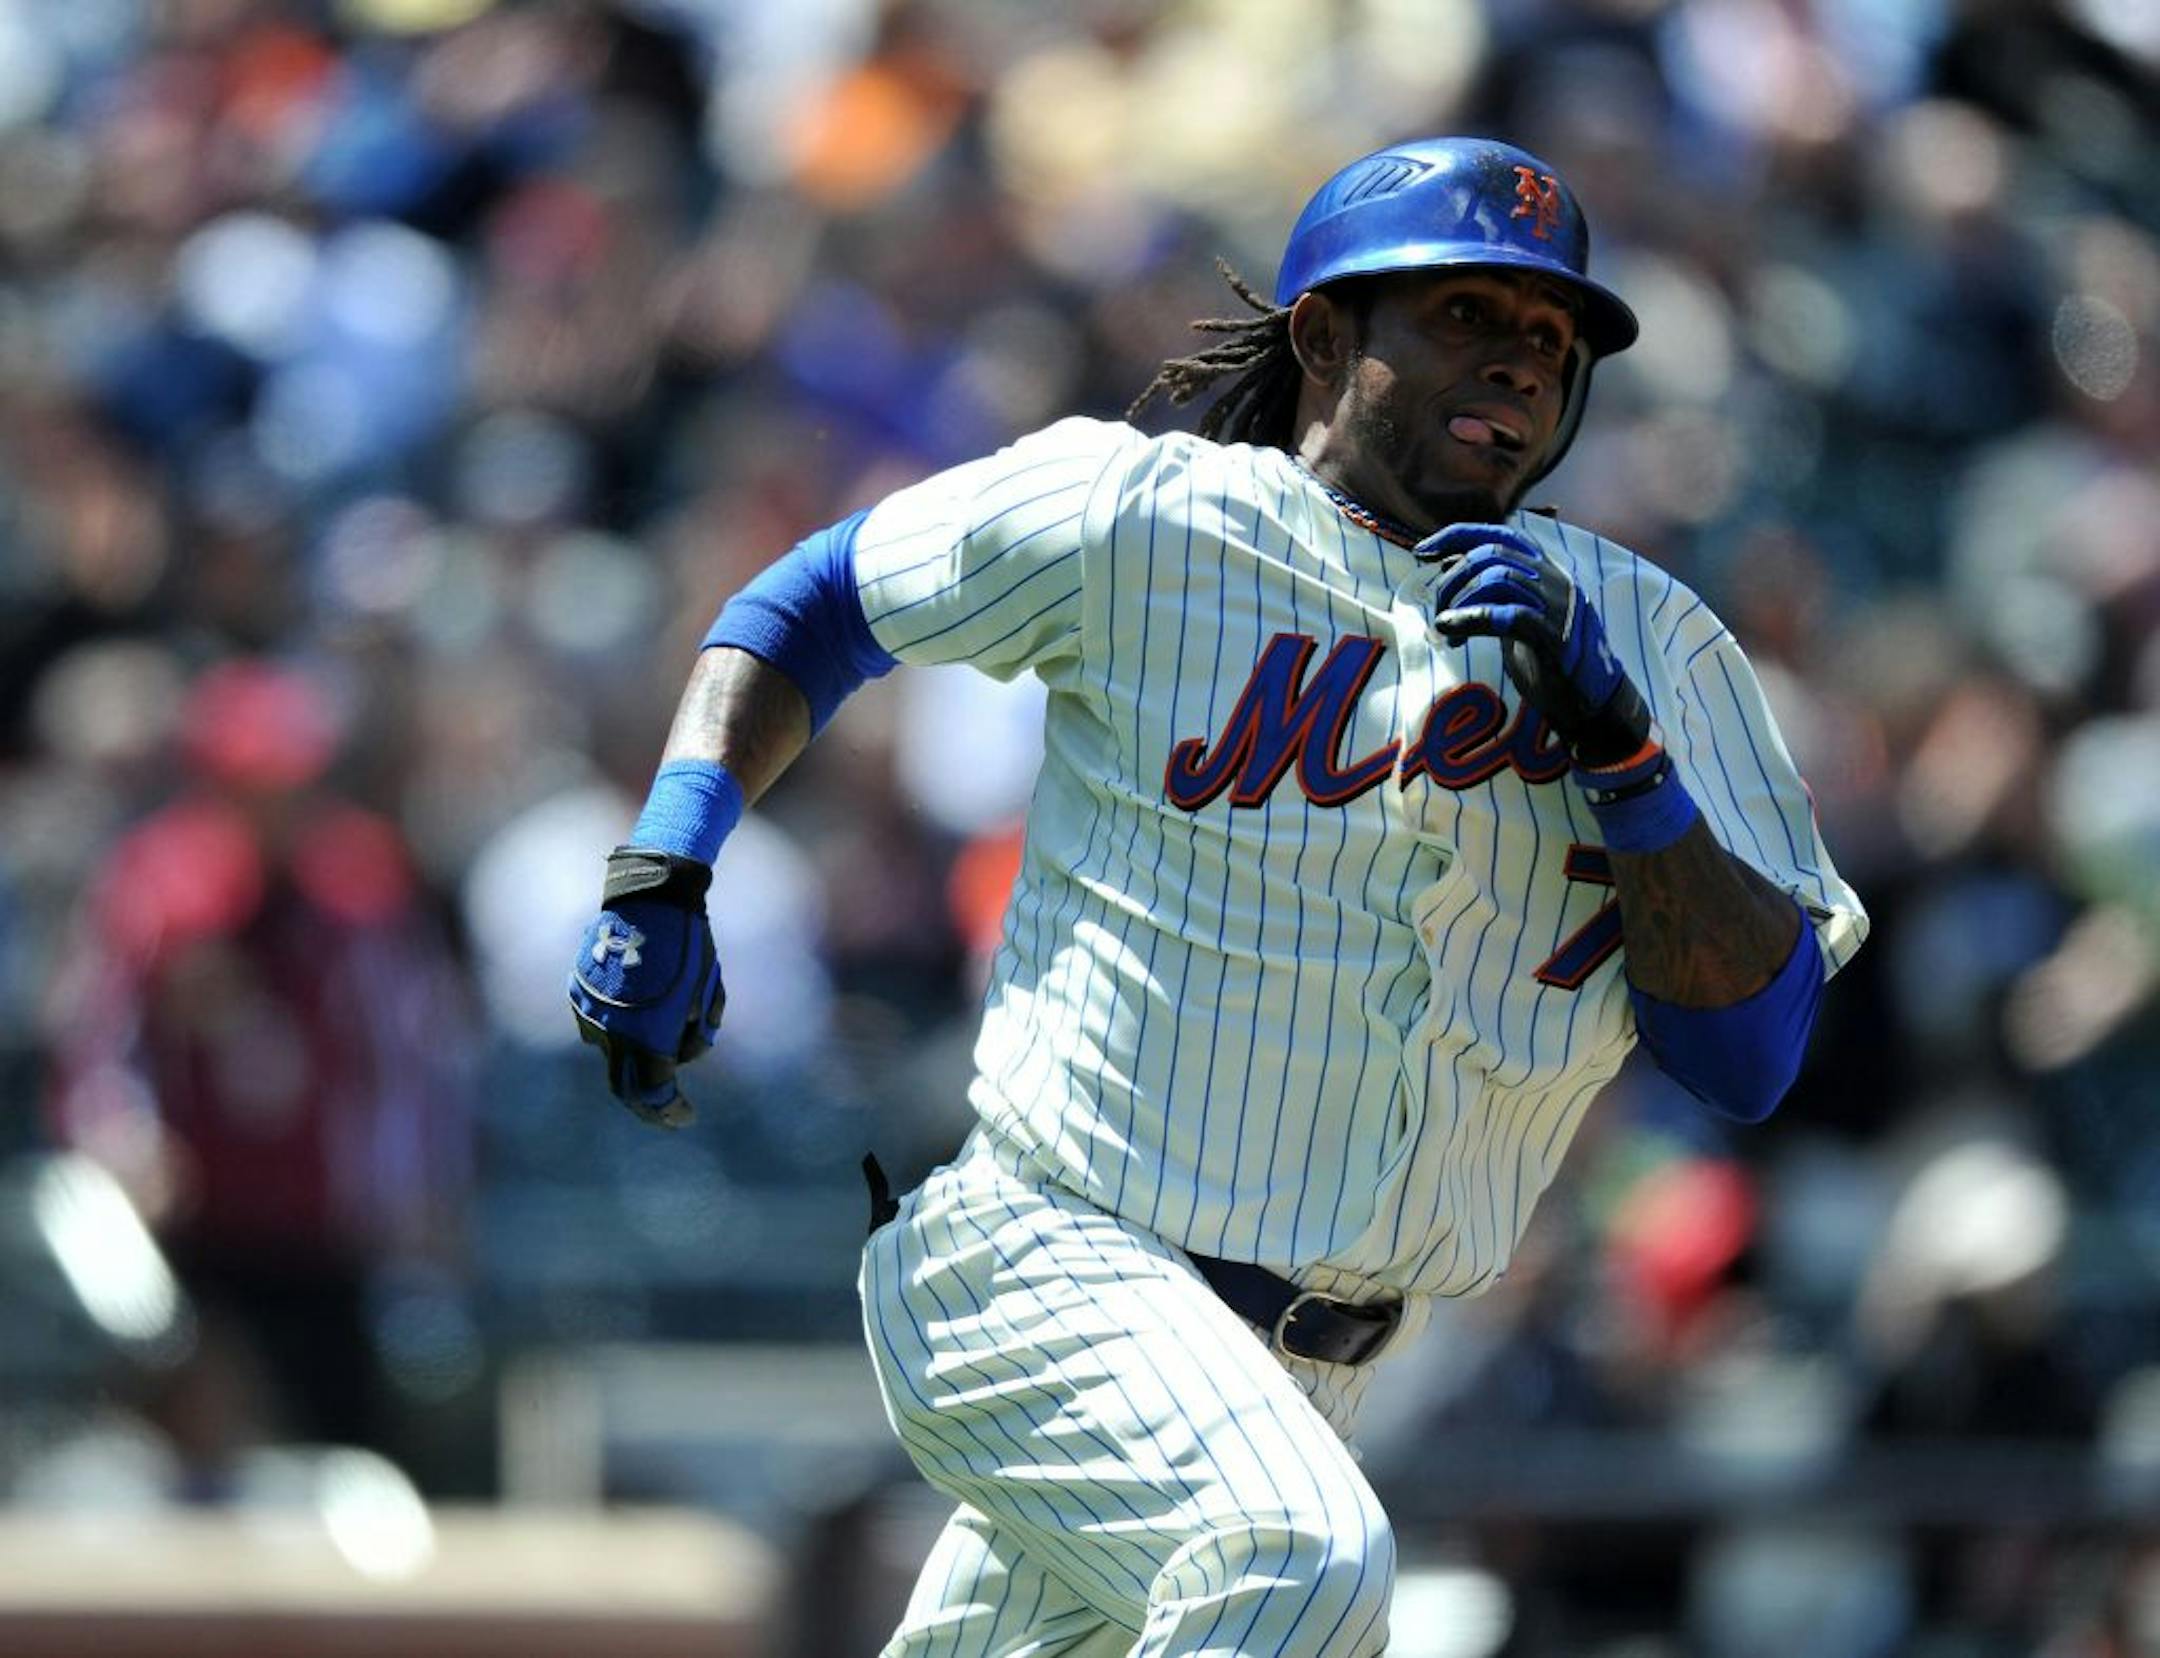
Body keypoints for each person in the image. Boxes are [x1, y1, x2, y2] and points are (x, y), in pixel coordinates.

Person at [568, 137, 1867, 1656]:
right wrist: (670, 856)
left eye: (1552, 335)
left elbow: (1748, 1052)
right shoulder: (1147, 518)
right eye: (1465, 312)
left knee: (1268, 1560)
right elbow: (818, 599)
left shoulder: (1653, 643)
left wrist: (1629, 757)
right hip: (1043, 1263)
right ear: (1324, 335)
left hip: (1308, 1374)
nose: (1521, 360)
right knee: (1301, 1561)